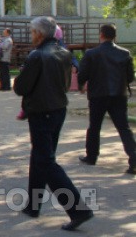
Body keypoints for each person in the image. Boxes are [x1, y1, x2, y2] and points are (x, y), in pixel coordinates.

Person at [13, 16, 94, 231]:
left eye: (32, 32)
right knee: (40, 157)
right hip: (57, 109)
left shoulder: (37, 55)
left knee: (46, 161)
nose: (31, 35)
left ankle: (78, 210)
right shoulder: (64, 52)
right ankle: (33, 205)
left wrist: (21, 77)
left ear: (39, 34)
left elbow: (21, 87)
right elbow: (64, 83)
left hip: (42, 111)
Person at [77, 23, 136, 175]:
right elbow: (130, 77)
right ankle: (134, 159)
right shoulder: (125, 53)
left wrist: (81, 86)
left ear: (101, 35)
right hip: (119, 95)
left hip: (98, 95)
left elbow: (82, 73)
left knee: (94, 127)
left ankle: (91, 157)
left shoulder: (91, 53)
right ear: (115, 36)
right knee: (123, 127)